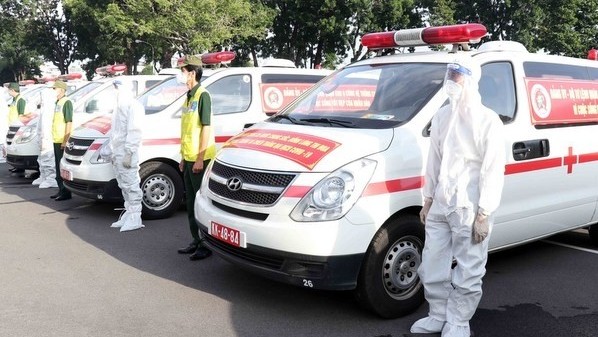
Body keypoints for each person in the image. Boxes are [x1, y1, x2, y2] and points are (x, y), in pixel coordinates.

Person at [410, 58, 506, 337]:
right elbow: (434, 161)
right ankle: (438, 314)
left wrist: (484, 213)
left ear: (471, 79)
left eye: (457, 75)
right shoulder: (442, 116)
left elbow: (492, 169)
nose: (451, 80)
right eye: (449, 74)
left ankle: (458, 321)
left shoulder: (488, 121)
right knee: (432, 262)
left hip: (471, 205)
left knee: (469, 267)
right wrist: (428, 200)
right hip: (442, 202)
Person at [176, 55, 216, 261]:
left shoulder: (203, 95)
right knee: (191, 201)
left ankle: (205, 244)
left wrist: (200, 158)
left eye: (182, 71)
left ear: (192, 73)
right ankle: (196, 240)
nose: (180, 74)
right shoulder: (188, 96)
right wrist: (184, 157)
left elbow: (206, 128)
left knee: (201, 204)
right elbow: (187, 130)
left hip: (201, 159)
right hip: (189, 157)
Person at [108, 79, 145, 232]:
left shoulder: (134, 106)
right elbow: (115, 131)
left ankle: (135, 217)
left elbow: (134, 130)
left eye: (118, 87)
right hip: (118, 152)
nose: (115, 90)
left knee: (131, 184)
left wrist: (129, 152)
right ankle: (129, 213)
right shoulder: (119, 106)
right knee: (123, 185)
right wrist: (111, 150)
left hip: (127, 153)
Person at [50, 80, 73, 201]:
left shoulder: (66, 102)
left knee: (62, 167)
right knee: (57, 166)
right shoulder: (57, 102)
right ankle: (60, 189)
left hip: (61, 140)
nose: (53, 91)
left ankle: (66, 192)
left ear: (62, 90)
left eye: (55, 88)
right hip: (56, 138)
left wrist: (65, 140)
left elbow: (69, 122)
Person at [32, 84, 58, 188]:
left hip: (47, 138)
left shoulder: (50, 108)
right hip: (42, 137)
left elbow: (47, 125)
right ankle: (43, 176)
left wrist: (45, 137)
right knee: (42, 157)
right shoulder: (43, 108)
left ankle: (51, 178)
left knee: (48, 157)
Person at [6, 82, 27, 174]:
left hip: (18, 127)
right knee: (13, 148)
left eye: (9, 90)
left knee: (17, 148)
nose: (8, 92)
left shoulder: (20, 100)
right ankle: (16, 166)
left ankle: (20, 167)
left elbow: (21, 114)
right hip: (12, 126)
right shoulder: (14, 99)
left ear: (12, 90)